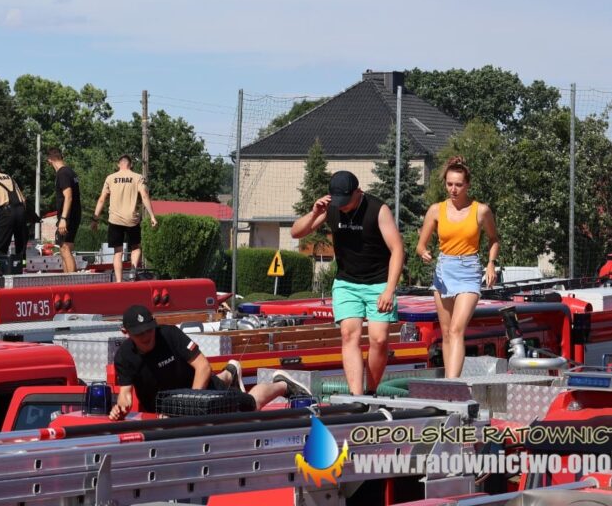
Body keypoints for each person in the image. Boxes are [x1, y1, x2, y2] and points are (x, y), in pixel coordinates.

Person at [291, 171, 404, 396]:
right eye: (338, 201)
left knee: (379, 338)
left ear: (358, 192)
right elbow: (296, 232)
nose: (342, 206)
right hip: (347, 283)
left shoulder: (377, 209)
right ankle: (357, 396)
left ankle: (371, 390)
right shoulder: (331, 207)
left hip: (378, 282)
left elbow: (398, 249)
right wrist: (314, 213)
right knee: (349, 334)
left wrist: (389, 290)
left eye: (346, 201)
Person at [109, 304, 307, 420]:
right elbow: (125, 395)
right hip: (162, 410)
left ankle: (282, 385)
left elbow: (203, 366)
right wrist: (121, 408)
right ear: (126, 333)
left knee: (250, 406)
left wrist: (189, 405)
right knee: (221, 383)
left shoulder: (170, 335)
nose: (146, 336)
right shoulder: (124, 357)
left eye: (149, 330)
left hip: (198, 391)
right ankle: (230, 373)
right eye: (139, 333)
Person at [415, 156, 500, 379]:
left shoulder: (481, 211)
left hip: (469, 270)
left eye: (459, 185)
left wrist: (491, 264)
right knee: (445, 332)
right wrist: (423, 252)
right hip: (444, 270)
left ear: (468, 185)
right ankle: (450, 382)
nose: (453, 189)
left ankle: (451, 383)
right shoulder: (436, 210)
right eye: (449, 184)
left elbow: (494, 239)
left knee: (456, 329)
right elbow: (420, 245)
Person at [90, 155, 158, 282]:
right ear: (130, 165)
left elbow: (102, 199)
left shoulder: (110, 178)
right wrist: (152, 216)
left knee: (118, 252)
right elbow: (144, 195)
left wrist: (95, 219)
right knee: (136, 247)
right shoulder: (138, 177)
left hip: (115, 220)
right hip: (132, 219)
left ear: (118, 165)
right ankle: (132, 270)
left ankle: (119, 282)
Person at [46, 148, 81, 274]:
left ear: (50, 160)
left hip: (68, 216)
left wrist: (63, 218)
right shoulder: (70, 172)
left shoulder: (63, 173)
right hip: (74, 214)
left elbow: (68, 196)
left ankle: (72, 281)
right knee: (65, 249)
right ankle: (67, 281)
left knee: (65, 248)